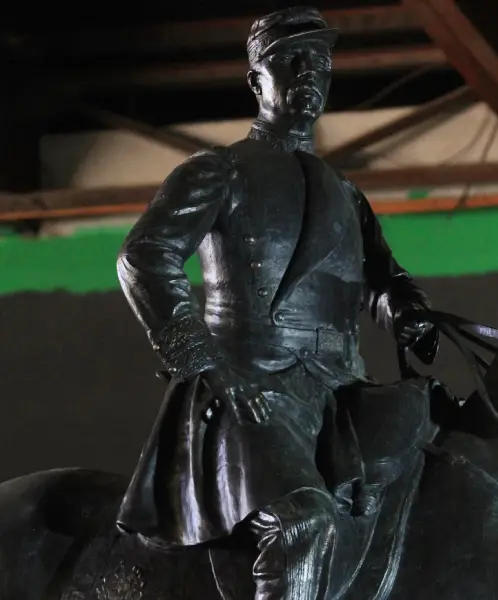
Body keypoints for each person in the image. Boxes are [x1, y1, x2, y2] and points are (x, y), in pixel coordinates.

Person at [113, 7, 438, 599]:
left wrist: (408, 311)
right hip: (251, 393)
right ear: (255, 80)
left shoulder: (346, 194)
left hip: (338, 395)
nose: (307, 72)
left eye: (319, 62)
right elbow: (145, 256)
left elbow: (382, 279)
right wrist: (204, 361)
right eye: (290, 60)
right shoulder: (220, 170)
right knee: (301, 524)